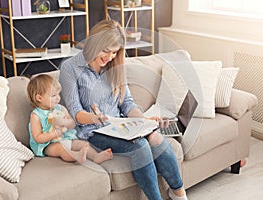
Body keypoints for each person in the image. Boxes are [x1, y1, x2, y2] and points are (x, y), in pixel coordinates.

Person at [59, 19, 188, 200]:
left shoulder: (115, 67)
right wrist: (96, 118)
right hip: (93, 131)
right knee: (141, 146)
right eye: (106, 51)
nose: (110, 57)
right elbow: (76, 112)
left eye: (114, 52)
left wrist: (143, 121)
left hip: (120, 126)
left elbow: (127, 103)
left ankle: (179, 194)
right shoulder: (70, 68)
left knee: (156, 137)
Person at [27, 74, 113, 164]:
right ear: (39, 98)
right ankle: (76, 156)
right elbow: (37, 137)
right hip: (48, 145)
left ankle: (96, 156)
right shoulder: (36, 115)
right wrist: (54, 134)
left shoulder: (60, 108)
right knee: (61, 149)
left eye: (58, 94)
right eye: (53, 95)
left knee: (83, 144)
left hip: (65, 138)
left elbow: (72, 123)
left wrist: (65, 122)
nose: (58, 98)